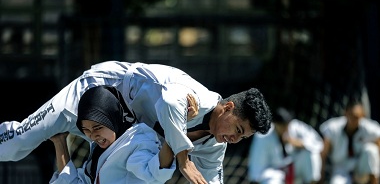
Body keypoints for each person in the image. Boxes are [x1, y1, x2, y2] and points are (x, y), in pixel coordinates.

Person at [0, 60, 272, 184]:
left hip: (118, 132)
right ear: (227, 107)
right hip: (97, 94)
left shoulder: (215, 146)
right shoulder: (199, 97)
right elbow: (169, 102)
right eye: (237, 129)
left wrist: (183, 155)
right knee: (15, 145)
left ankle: (62, 147)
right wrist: (183, 158)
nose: (235, 139)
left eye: (243, 137)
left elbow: (210, 181)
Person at [50, 85, 180, 183]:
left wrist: (174, 131)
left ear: (114, 118)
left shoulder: (135, 143)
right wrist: (59, 142)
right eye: (86, 130)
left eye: (98, 127)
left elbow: (155, 171)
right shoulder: (99, 152)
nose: (93, 135)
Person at [248, 107, 323, 184]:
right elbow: (257, 169)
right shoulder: (262, 136)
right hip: (275, 174)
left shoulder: (295, 126)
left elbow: (318, 143)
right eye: (282, 126)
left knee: (310, 153)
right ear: (275, 124)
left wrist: (299, 143)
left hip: (294, 168)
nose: (286, 128)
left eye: (287, 125)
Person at [319, 99, 380, 184]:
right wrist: (320, 178)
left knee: (371, 150)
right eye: (352, 116)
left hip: (360, 169)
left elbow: (377, 147)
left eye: (357, 117)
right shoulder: (333, 128)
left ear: (362, 116)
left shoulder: (369, 129)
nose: (354, 120)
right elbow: (323, 154)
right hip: (341, 169)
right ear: (346, 113)